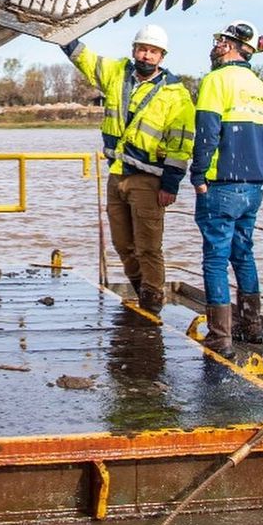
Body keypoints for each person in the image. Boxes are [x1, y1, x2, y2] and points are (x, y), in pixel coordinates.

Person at [63, 25, 195, 313]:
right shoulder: (116, 74)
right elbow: (86, 59)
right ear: (134, 50)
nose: (146, 55)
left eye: (153, 51)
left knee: (148, 247)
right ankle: (141, 293)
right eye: (142, 49)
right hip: (118, 174)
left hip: (150, 180)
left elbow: (181, 143)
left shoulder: (176, 94)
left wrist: (171, 185)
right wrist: (63, 37)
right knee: (123, 244)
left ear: (161, 56)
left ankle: (152, 304)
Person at [190, 19, 263, 356]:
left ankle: (220, 338)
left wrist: (199, 175)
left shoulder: (216, 80)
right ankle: (251, 329)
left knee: (215, 259)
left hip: (221, 185)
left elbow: (207, 134)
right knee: (244, 253)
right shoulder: (261, 88)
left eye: (219, 40)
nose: (215, 45)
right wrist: (255, 167)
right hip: (254, 185)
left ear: (229, 46)